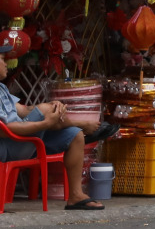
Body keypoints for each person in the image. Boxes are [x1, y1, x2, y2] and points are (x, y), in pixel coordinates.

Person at [0, 53, 118, 210]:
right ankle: (82, 125)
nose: (6, 63)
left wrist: (51, 106)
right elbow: (5, 130)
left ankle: (75, 196)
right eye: (2, 59)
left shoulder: (2, 89)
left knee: (75, 135)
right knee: (46, 111)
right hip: (10, 145)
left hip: (27, 140)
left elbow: (25, 110)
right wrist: (45, 122)